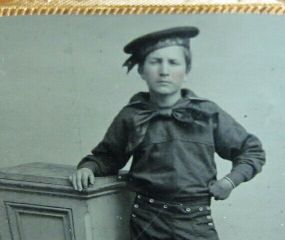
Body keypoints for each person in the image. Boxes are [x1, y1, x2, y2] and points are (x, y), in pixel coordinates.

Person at [69, 26, 266, 240]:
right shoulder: (131, 115)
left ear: (186, 71)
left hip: (194, 221)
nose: (164, 71)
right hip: (146, 221)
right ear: (142, 71)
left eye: (173, 63)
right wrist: (88, 168)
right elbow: (107, 156)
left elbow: (252, 151)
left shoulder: (207, 113)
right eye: (155, 62)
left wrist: (229, 182)